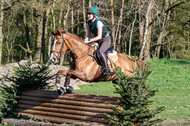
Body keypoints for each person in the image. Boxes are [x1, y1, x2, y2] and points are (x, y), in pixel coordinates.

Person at [84, 6, 111, 76]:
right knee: (89, 50)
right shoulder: (88, 23)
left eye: (90, 14)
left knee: (100, 52)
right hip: (98, 41)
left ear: (94, 15)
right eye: (88, 14)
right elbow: (88, 35)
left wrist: (89, 40)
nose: (88, 15)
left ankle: (106, 69)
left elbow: (99, 36)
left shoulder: (98, 22)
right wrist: (86, 39)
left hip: (106, 40)